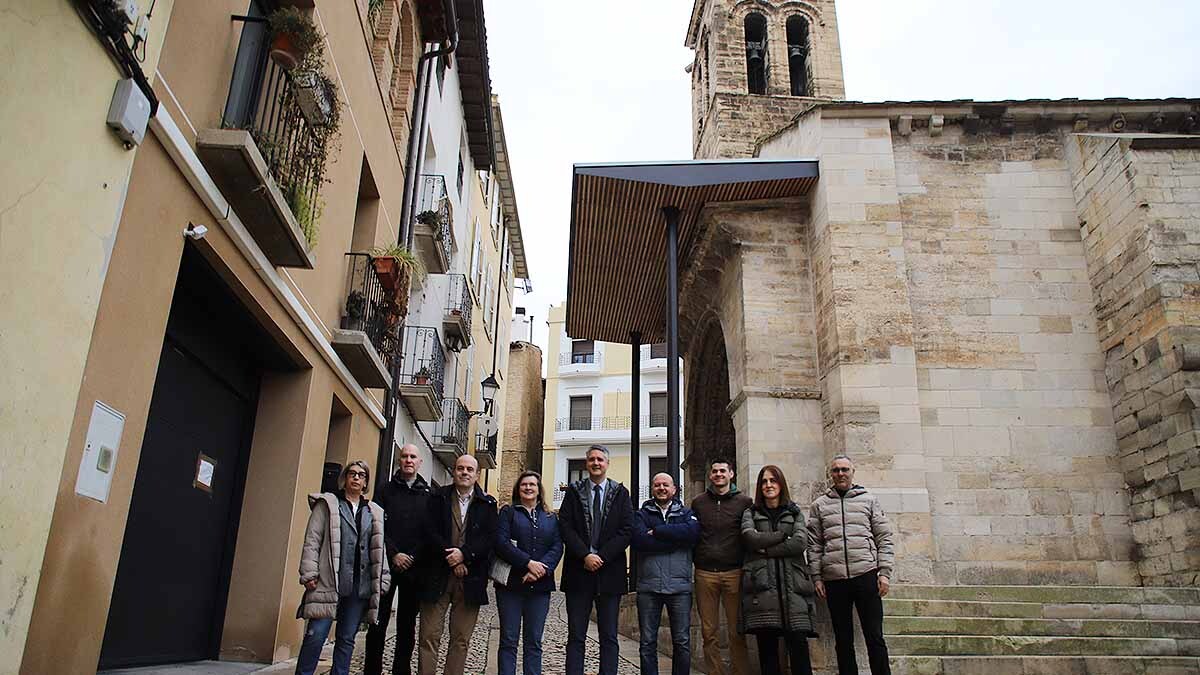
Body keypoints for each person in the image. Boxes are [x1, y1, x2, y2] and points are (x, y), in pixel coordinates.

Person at [295, 460, 391, 675]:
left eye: (361, 475)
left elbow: (379, 546)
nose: (356, 478)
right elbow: (312, 539)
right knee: (316, 635)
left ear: (366, 482)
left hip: (359, 583)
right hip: (329, 580)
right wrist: (309, 572)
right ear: (345, 478)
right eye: (352, 474)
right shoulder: (328, 505)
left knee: (347, 639)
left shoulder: (373, 511)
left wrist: (383, 577)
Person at [808, 454, 894, 675]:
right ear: (831, 474)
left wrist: (884, 573)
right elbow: (815, 544)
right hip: (835, 580)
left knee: (874, 636)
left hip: (866, 574)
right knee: (843, 639)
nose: (840, 474)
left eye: (845, 469)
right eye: (836, 470)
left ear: (852, 472)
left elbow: (883, 538)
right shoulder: (819, 505)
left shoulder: (869, 500)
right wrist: (817, 577)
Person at [416, 454, 498, 675]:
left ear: (477, 475)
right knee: (428, 636)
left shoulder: (488, 504)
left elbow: (489, 539)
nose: (464, 472)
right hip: (436, 575)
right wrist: (451, 558)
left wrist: (465, 555)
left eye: (469, 469)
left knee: (461, 639)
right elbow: (428, 531)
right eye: (460, 468)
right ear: (454, 471)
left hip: (470, 579)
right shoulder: (437, 497)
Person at [558, 444, 634, 675]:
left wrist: (601, 556)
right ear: (586, 463)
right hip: (579, 572)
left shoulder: (621, 493)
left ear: (607, 464)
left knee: (609, 635)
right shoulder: (573, 491)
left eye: (600, 459)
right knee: (576, 635)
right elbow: (565, 526)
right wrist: (585, 555)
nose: (596, 463)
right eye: (592, 459)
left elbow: (627, 530)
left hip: (610, 574)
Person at [740, 465, 816, 675]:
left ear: (781, 484)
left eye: (773, 480)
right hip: (763, 588)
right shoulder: (751, 512)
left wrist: (765, 549)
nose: (769, 485)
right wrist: (783, 537)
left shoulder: (794, 511)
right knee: (767, 650)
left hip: (793, 588)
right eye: (764, 481)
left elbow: (800, 543)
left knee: (799, 646)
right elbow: (749, 538)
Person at [365, 444, 430, 675]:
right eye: (404, 456)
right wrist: (394, 554)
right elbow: (377, 524)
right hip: (386, 564)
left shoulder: (428, 494)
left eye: (413, 457)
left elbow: (429, 532)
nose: (408, 460)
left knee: (407, 625)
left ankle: (401, 671)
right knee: (377, 622)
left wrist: (412, 555)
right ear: (399, 460)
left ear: (419, 462)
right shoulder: (385, 491)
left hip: (414, 568)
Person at [494, 471, 564, 675]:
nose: (528, 488)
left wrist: (540, 569)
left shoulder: (550, 517)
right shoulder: (508, 513)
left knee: (534, 641)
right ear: (518, 488)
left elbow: (557, 546)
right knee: (509, 639)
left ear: (538, 490)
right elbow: (501, 543)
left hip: (540, 587)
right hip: (511, 586)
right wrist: (527, 563)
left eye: (532, 484)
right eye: (524, 484)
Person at [631, 472, 700, 675]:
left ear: (674, 489)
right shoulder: (641, 515)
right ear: (652, 489)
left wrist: (659, 532)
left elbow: (693, 534)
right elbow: (639, 542)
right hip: (648, 586)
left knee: (682, 641)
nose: (661, 488)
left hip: (679, 587)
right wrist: (676, 539)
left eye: (666, 485)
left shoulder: (686, 513)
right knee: (647, 642)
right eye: (657, 485)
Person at [691, 458, 754, 675]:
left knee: (737, 630)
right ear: (710, 476)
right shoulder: (698, 502)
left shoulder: (745, 502)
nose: (718, 475)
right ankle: (714, 672)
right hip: (705, 573)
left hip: (734, 572)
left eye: (722, 471)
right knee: (709, 632)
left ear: (731, 474)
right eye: (715, 471)